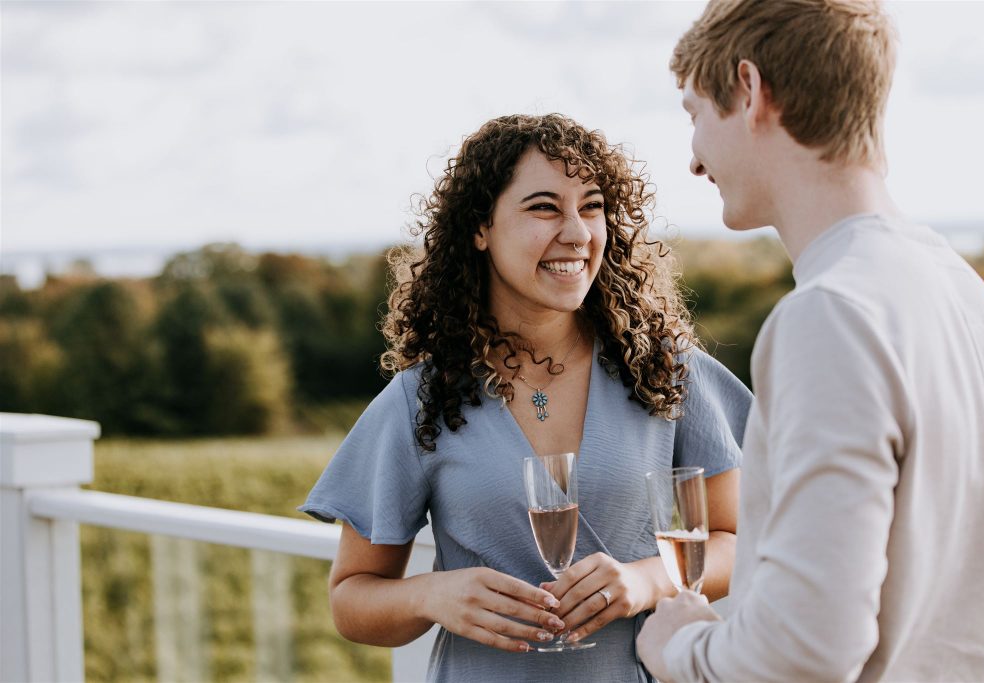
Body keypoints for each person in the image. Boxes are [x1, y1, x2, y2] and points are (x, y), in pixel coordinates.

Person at [636, 1, 984, 682]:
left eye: (695, 112)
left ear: (751, 92)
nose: (694, 157)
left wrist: (680, 648)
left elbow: (802, 652)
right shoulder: (968, 297)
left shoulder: (830, 315)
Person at [300, 113, 751, 681]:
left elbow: (743, 542)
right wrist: (432, 595)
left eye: (591, 206)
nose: (578, 233)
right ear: (479, 227)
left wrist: (647, 580)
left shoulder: (667, 370)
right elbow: (351, 601)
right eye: (544, 207)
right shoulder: (423, 397)